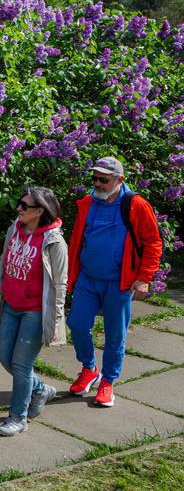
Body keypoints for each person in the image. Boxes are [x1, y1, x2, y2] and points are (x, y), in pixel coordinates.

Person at [67, 157, 163, 408]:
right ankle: (89, 369)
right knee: (76, 324)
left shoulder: (136, 205)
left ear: (119, 180)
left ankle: (108, 381)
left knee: (114, 334)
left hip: (119, 282)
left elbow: (153, 242)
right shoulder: (88, 203)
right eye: (95, 178)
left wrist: (143, 278)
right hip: (88, 277)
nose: (97, 184)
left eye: (104, 179)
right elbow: (78, 239)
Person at [0, 186, 68, 436]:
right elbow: (4, 260)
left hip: (35, 311)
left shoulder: (54, 241)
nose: (19, 209)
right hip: (12, 305)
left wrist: (55, 321)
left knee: (21, 365)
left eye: (24, 206)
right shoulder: (15, 228)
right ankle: (40, 390)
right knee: (4, 357)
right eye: (19, 203)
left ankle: (18, 417)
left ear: (39, 211)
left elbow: (60, 283)